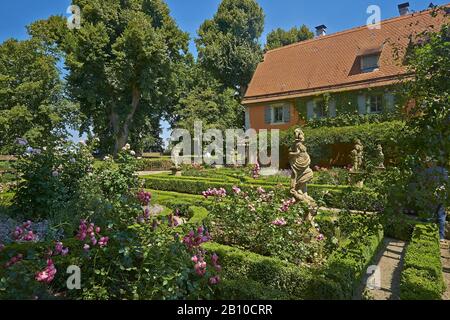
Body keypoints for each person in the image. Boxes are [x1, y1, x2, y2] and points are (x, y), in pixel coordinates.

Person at [423, 157, 449, 242]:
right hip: (443, 195)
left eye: (428, 162)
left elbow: (424, 183)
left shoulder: (427, 171)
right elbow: (447, 183)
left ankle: (426, 234)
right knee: (441, 216)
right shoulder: (444, 170)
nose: (427, 164)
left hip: (432, 195)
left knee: (429, 214)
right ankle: (441, 237)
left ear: (431, 163)